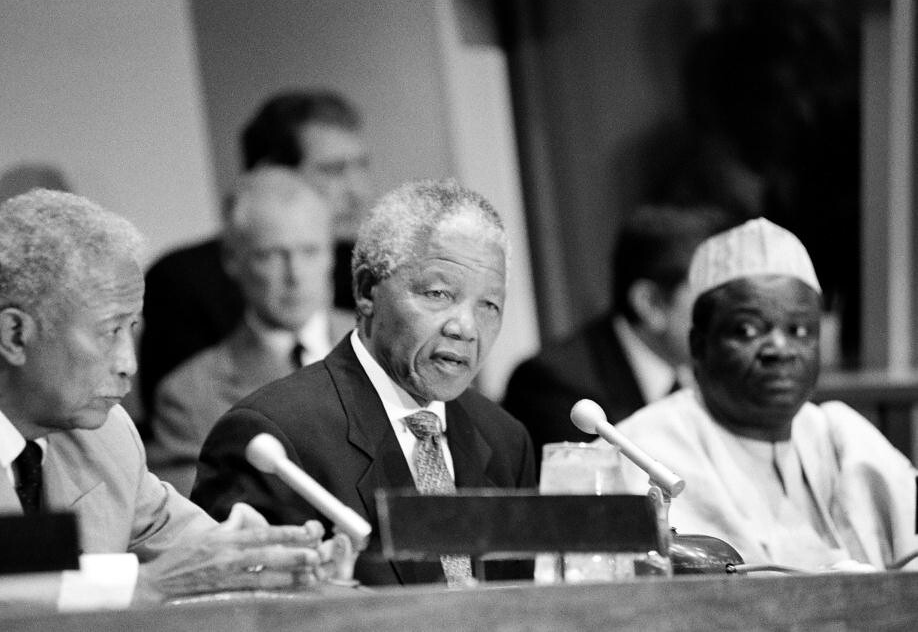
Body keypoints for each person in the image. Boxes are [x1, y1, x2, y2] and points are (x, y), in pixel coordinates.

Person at [0, 189, 349, 606]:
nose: (128, 363)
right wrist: (149, 586)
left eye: (131, 329)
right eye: (108, 331)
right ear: (15, 336)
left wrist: (272, 560)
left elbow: (198, 551)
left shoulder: (106, 436)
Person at [192, 179, 536, 586]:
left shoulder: (505, 441)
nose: (466, 327)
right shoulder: (274, 437)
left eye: (489, 305)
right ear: (366, 290)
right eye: (439, 293)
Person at [613, 218, 918, 572]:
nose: (779, 349)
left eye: (799, 330)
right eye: (748, 329)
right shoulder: (641, 450)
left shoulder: (843, 436)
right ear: (699, 346)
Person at [138, 90, 371, 416]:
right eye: (333, 170)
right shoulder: (181, 281)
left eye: (361, 166)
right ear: (269, 172)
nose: (357, 190)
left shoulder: (365, 267)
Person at [146, 168, 354, 496]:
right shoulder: (189, 396)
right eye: (271, 255)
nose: (294, 274)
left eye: (310, 251)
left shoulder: (382, 349)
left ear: (331, 254)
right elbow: (192, 521)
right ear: (232, 259)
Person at [503, 204, 735, 466]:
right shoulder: (554, 386)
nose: (734, 314)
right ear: (651, 304)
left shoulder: (716, 371)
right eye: (713, 298)